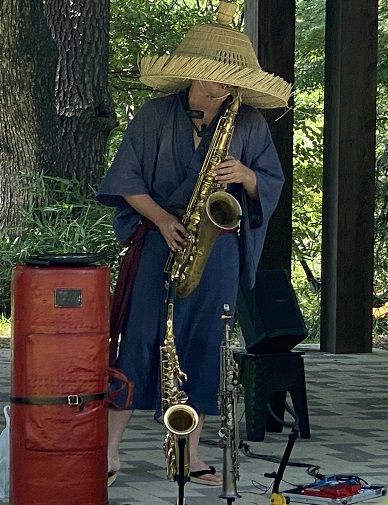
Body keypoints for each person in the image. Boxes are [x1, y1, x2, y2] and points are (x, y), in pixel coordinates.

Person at [97, 0, 291, 487]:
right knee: (138, 339)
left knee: (206, 344)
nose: (223, 85)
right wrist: (163, 221)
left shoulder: (247, 123)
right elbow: (126, 181)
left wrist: (245, 175)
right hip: (160, 236)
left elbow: (271, 182)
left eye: (231, 78)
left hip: (218, 245)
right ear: (194, 73)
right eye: (215, 76)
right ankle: (108, 451)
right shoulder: (153, 116)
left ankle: (190, 454)